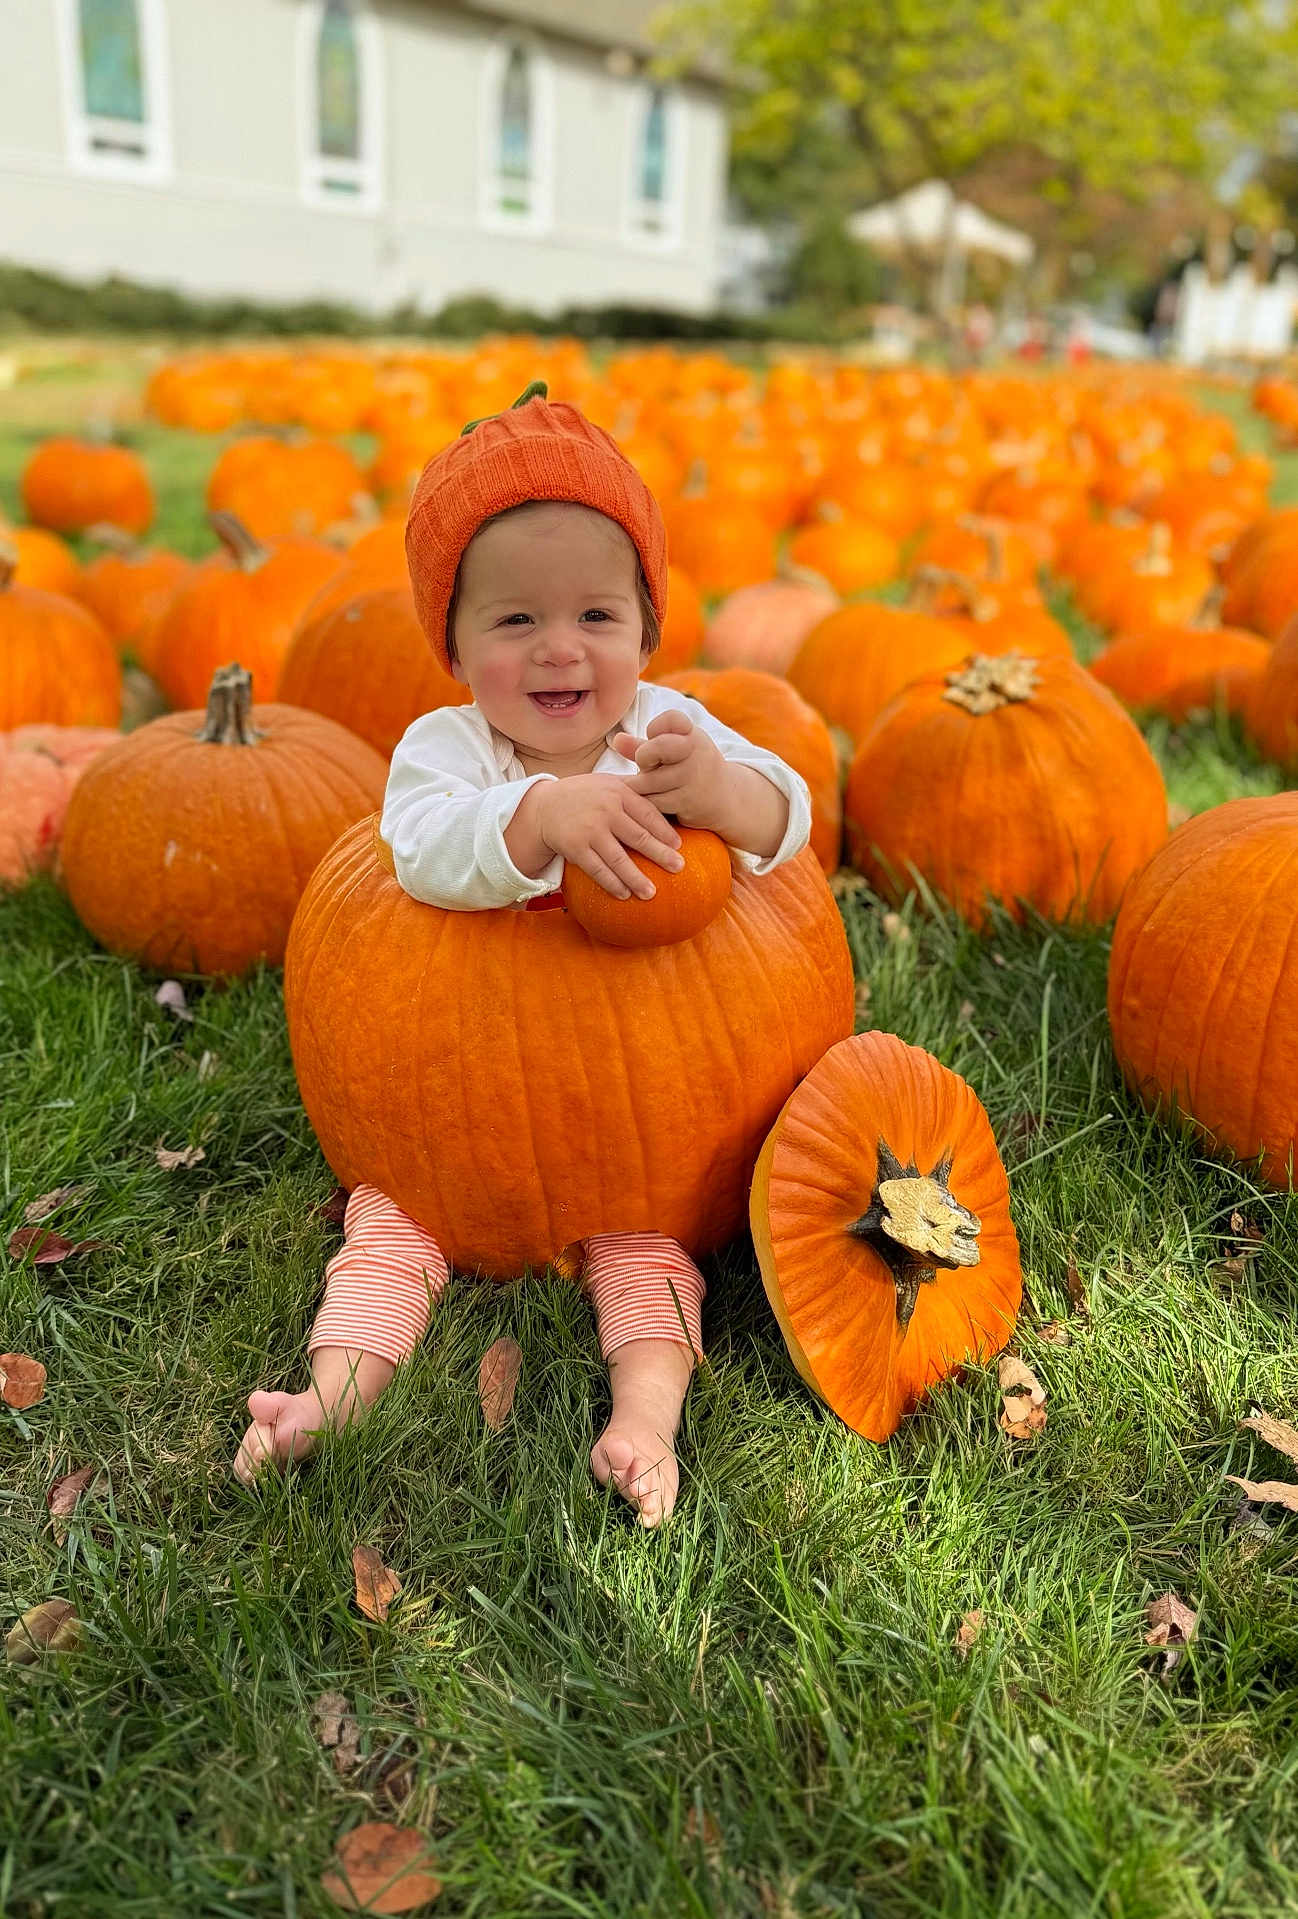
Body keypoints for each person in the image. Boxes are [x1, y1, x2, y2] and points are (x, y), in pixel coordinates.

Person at [234, 386, 812, 1526]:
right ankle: (330, 1395)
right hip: (445, 1124)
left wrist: (722, 791)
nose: (560, 648)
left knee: (649, 1259)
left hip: (642, 1127)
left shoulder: (669, 727)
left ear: (646, 629)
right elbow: (420, 855)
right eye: (512, 623)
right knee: (385, 1236)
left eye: (597, 615)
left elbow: (786, 822)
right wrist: (537, 815)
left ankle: (645, 1421)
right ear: (452, 642)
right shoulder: (444, 752)